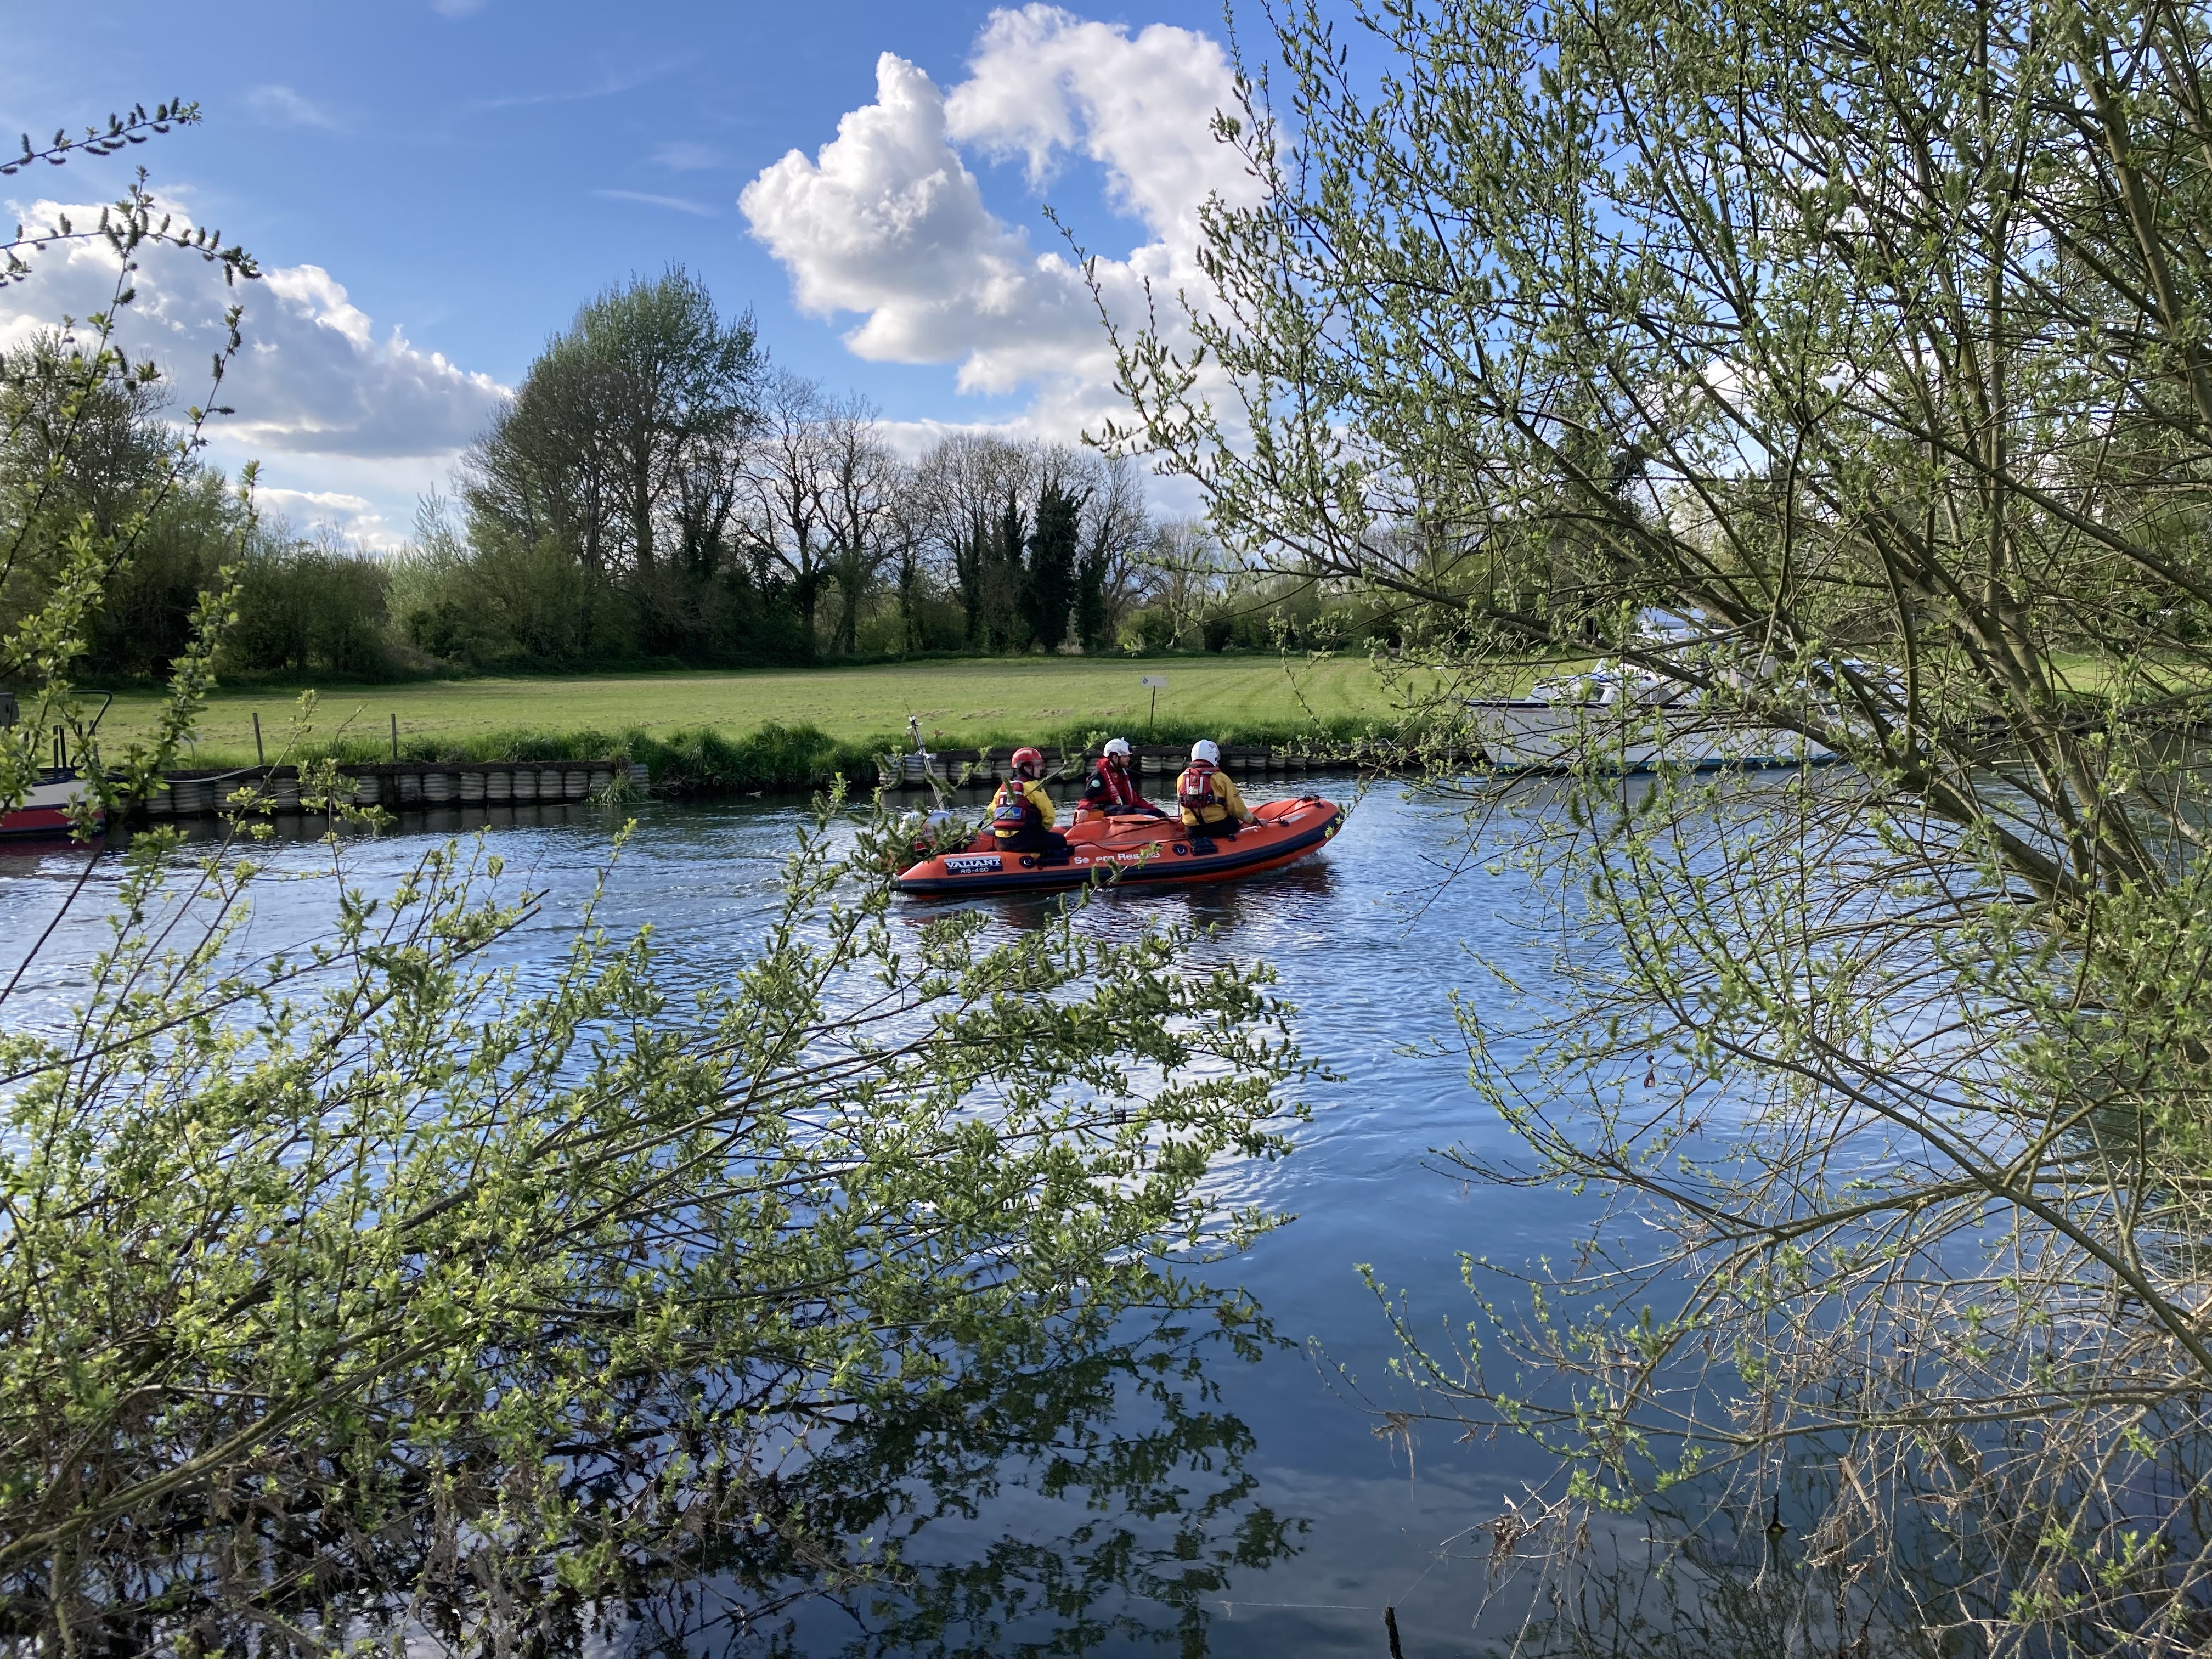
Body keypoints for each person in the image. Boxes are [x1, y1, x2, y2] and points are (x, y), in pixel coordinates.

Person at [989, 746, 1069, 856]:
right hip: (1025, 841)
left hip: (1003, 842)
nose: (1041, 768)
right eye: (1038, 765)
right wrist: (1041, 831)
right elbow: (1049, 817)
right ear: (1027, 768)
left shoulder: (1003, 788)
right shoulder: (1034, 788)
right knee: (1060, 840)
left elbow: (990, 812)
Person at [1175, 739, 1257, 839]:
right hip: (1218, 827)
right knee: (1234, 820)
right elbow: (1236, 808)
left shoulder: (1181, 778)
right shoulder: (1221, 778)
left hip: (1191, 830)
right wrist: (1254, 821)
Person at [1078, 737, 1166, 818]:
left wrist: (1155, 811)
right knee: (1128, 810)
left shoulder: (1122, 774)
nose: (1128, 759)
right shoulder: (1098, 776)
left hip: (1121, 808)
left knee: (1157, 813)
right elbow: (1088, 798)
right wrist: (1084, 809)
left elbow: (1136, 799)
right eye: (1125, 756)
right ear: (1115, 757)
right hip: (1104, 808)